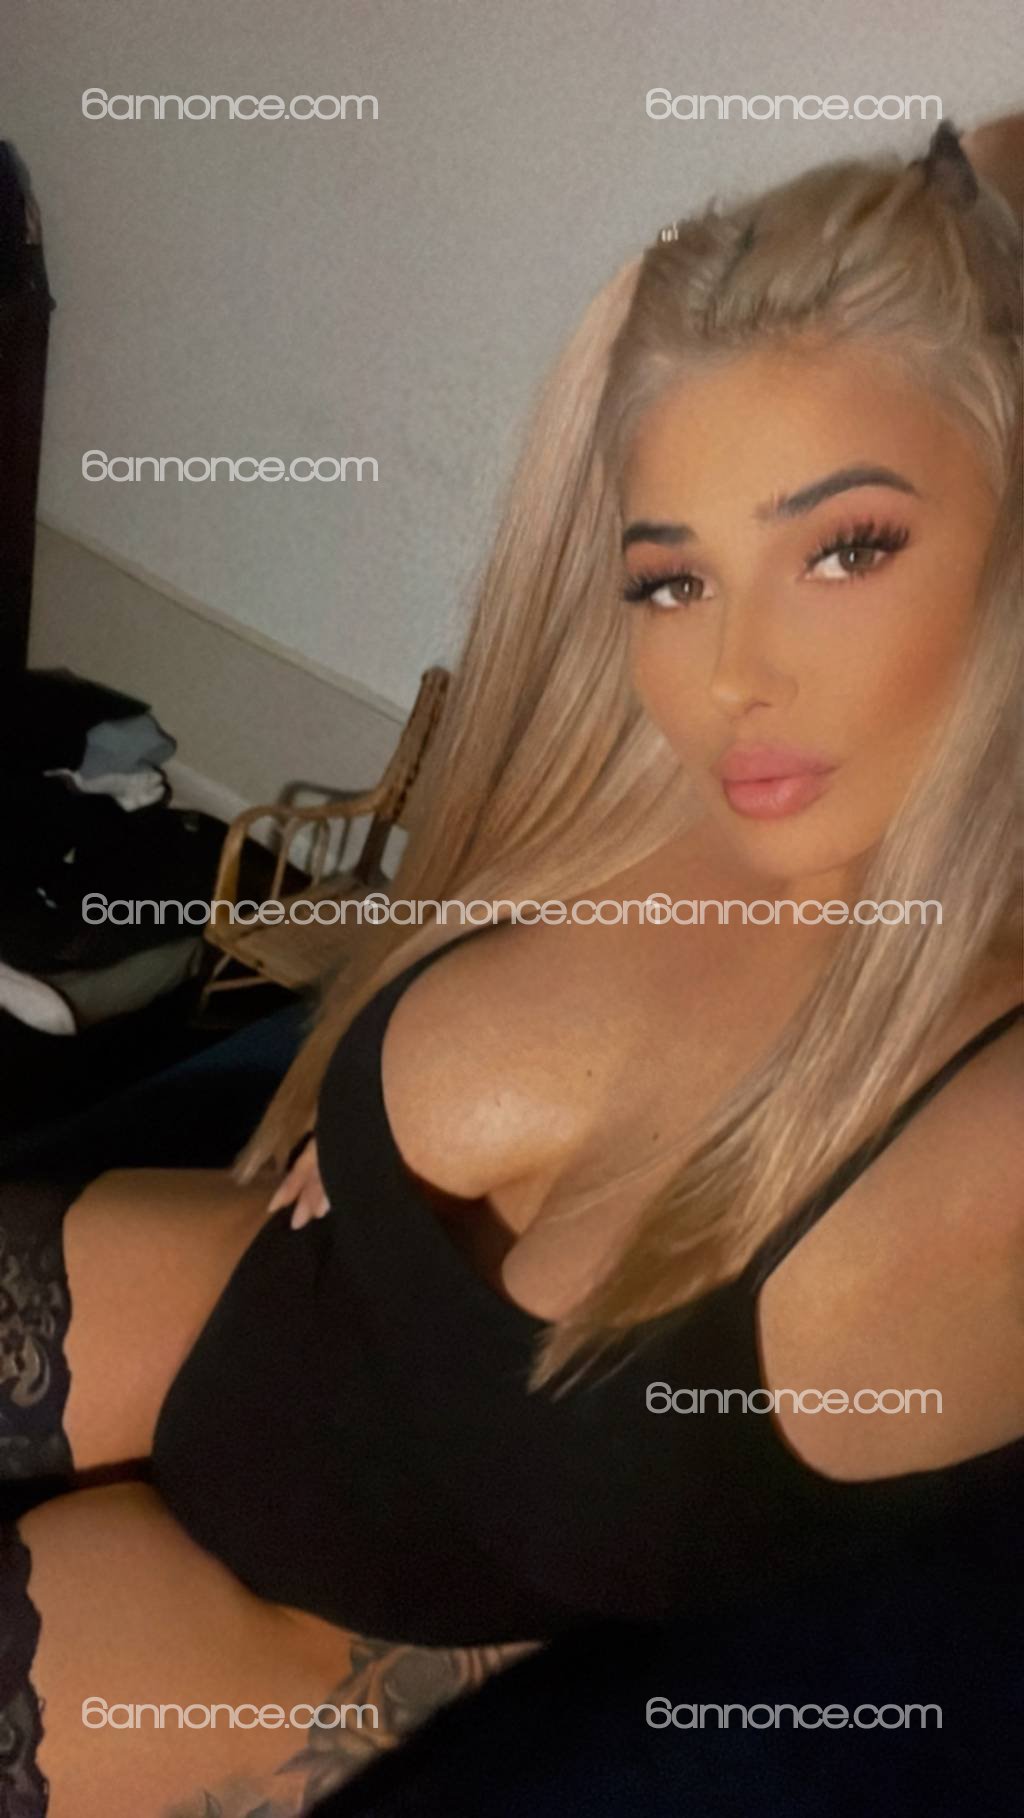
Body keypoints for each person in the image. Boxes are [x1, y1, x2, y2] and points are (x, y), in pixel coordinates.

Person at [0, 115, 1020, 1818]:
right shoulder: (681, 787)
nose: (733, 672)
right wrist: (385, 1107)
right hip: (253, 1294)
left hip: (334, 1640)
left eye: (847, 546)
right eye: (673, 576)